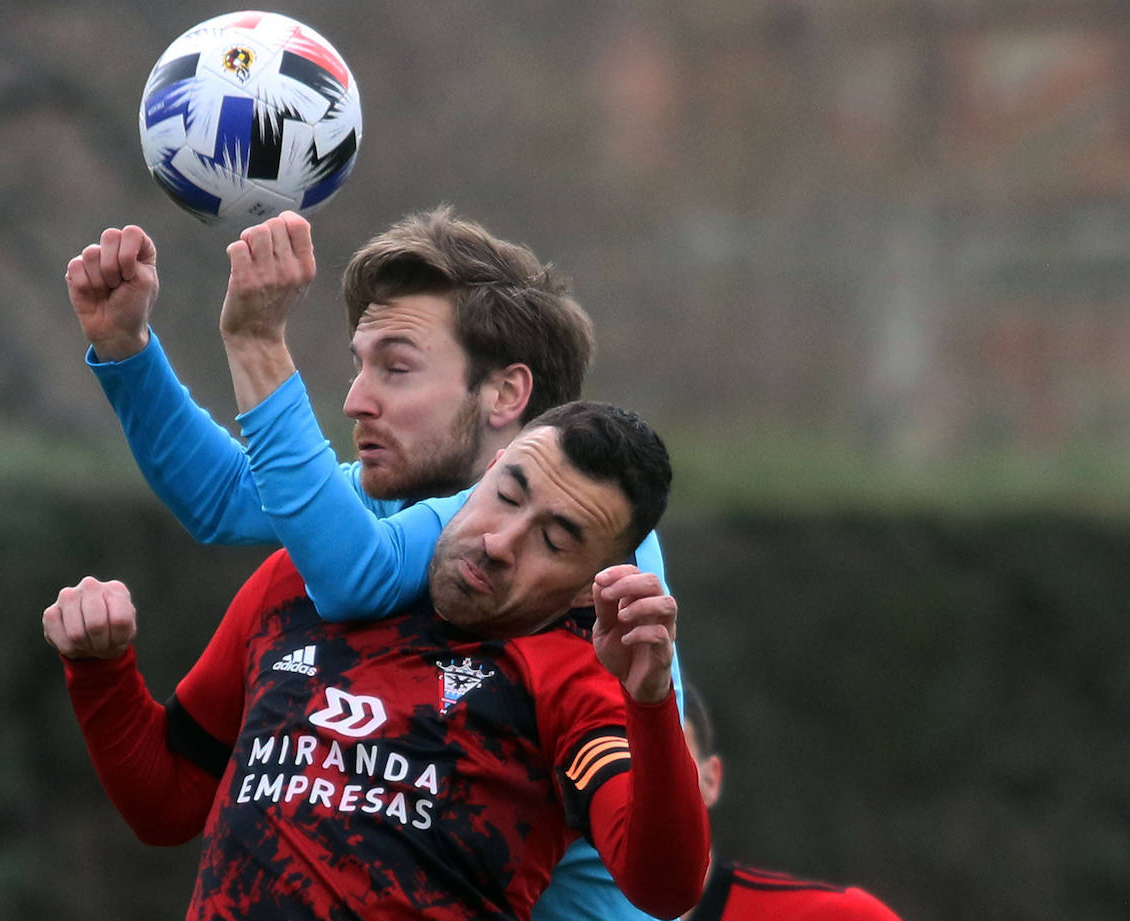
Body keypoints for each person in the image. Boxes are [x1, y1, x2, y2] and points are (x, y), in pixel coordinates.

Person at [65, 209, 688, 919]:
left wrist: (261, 344)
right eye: (361, 364)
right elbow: (233, 494)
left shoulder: (587, 550)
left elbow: (355, 572)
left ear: (506, 396)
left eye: (396, 368)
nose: (357, 400)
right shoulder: (397, 513)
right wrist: (127, 350)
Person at [44, 400, 710, 921]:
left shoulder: (572, 671)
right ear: (489, 467)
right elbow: (167, 804)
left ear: (594, 575)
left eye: (554, 539)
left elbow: (664, 886)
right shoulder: (298, 586)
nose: (503, 540)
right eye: (508, 494)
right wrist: (101, 668)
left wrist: (650, 703)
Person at [679, 683, 905, 921]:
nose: (645, 783)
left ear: (711, 780)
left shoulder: (839, 916)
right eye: (634, 762)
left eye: (670, 762)